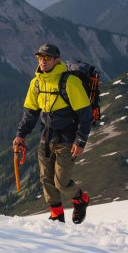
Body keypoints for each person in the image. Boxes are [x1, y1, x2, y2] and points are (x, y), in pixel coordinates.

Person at [13, 44, 92, 224]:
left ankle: (81, 199)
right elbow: (30, 112)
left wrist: (80, 141)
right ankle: (57, 214)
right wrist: (21, 135)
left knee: (61, 182)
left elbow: (85, 114)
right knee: (46, 178)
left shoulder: (69, 82)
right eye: (40, 57)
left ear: (56, 59)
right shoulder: (36, 83)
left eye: (47, 58)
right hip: (46, 136)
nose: (42, 61)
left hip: (67, 138)